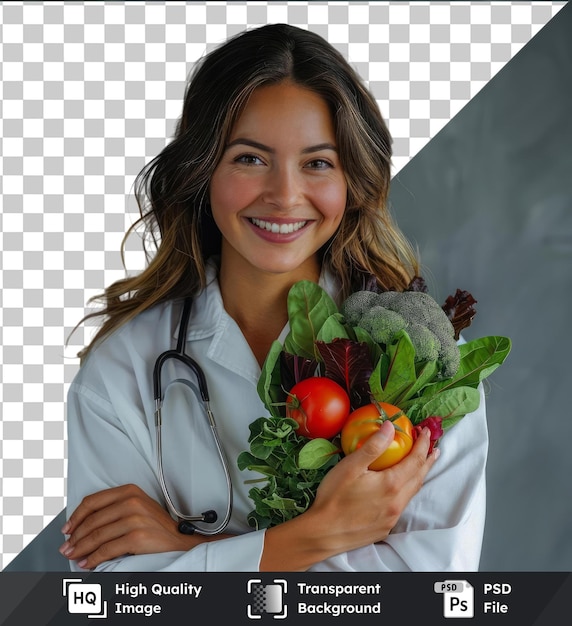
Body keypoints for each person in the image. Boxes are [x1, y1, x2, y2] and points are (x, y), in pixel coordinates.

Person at [60, 23, 487, 572]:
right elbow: (118, 599)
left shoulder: (425, 362)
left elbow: (430, 590)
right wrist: (322, 537)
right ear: (202, 169)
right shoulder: (121, 370)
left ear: (350, 180)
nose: (285, 196)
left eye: (317, 163)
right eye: (249, 159)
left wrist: (190, 555)